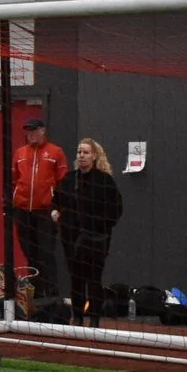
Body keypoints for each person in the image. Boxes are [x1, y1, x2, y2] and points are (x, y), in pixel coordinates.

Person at [57, 137, 124, 327]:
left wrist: (100, 226)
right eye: (79, 152)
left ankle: (94, 318)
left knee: (94, 279)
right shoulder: (70, 179)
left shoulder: (104, 181)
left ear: (94, 156)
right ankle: (77, 317)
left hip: (96, 239)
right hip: (71, 238)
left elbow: (116, 209)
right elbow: (57, 200)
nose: (81, 155)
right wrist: (55, 212)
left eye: (86, 152)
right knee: (75, 279)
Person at [8, 117, 70, 302]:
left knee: (46, 251)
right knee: (29, 251)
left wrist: (58, 207)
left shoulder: (55, 152)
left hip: (45, 211)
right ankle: (34, 291)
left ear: (43, 131)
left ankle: (51, 293)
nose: (31, 134)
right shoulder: (20, 153)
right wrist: (13, 201)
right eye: (28, 131)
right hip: (23, 210)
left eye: (34, 130)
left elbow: (63, 182)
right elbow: (13, 179)